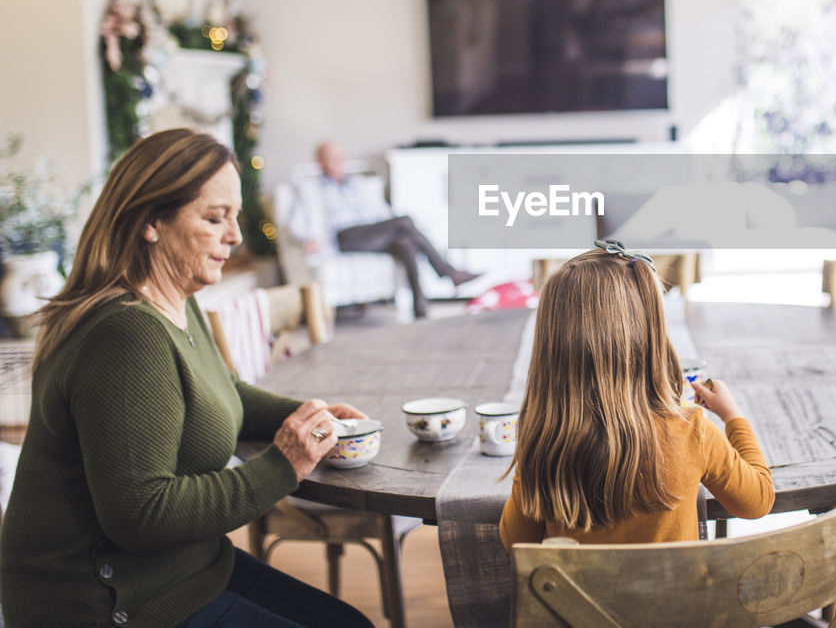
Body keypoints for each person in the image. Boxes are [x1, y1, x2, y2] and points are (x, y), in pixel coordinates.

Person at [0, 129, 375, 628]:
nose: (236, 235)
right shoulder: (125, 334)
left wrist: (303, 417)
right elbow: (141, 513)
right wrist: (285, 462)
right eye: (215, 218)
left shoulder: (177, 299)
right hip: (108, 600)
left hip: (184, 568)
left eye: (235, 216)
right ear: (152, 221)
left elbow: (218, 392)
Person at [499, 241, 774, 547]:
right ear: (651, 337)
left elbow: (515, 543)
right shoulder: (693, 431)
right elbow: (758, 501)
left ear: (551, 351)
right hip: (677, 596)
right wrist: (733, 416)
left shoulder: (545, 443)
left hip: (572, 596)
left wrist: (531, 454)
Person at [290, 140, 479, 318]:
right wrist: (308, 238)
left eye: (339, 157)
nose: (336, 162)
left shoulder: (358, 185)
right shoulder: (311, 189)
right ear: (319, 161)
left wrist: (391, 226)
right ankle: (447, 271)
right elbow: (295, 222)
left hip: (370, 232)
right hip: (344, 236)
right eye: (330, 157)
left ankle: (420, 304)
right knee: (405, 222)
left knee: (404, 242)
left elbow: (382, 212)